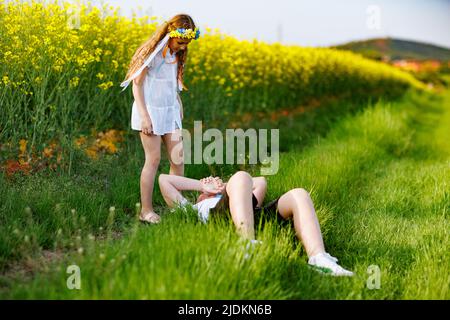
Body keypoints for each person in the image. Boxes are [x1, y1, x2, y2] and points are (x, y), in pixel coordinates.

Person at [158, 171, 354, 276]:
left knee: (299, 193)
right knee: (242, 176)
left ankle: (319, 258)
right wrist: (202, 186)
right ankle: (246, 245)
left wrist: (229, 187)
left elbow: (260, 181)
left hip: (253, 217)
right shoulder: (191, 210)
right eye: (202, 194)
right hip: (220, 222)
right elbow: (164, 180)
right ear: (198, 199)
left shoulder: (240, 196)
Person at [120, 15, 200, 224]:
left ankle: (176, 205)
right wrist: (145, 116)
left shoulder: (175, 54)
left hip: (169, 111)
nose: (183, 48)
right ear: (170, 34)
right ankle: (145, 210)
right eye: (181, 42)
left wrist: (178, 103)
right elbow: (137, 86)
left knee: (178, 157)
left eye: (186, 44)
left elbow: (171, 84)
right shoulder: (152, 54)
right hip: (150, 113)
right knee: (153, 159)